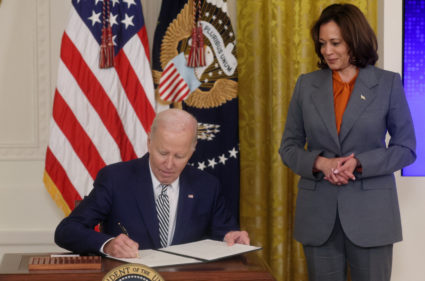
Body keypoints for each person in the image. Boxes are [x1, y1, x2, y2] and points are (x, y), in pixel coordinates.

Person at [279, 4, 416, 281]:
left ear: (355, 40)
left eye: (335, 43)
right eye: (322, 43)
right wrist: (320, 162)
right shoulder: (306, 85)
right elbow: (289, 147)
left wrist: (360, 163)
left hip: (372, 216)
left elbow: (406, 148)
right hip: (319, 217)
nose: (327, 51)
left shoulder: (388, 83)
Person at [55, 108, 249, 258]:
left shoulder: (207, 186)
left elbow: (223, 233)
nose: (169, 164)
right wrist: (108, 244)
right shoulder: (116, 179)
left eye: (180, 156)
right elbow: (67, 231)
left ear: (192, 150)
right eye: (163, 153)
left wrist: (230, 238)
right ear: (149, 142)